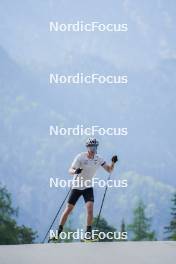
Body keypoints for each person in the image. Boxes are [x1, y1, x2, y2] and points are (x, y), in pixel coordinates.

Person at [51, 138, 117, 241]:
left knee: (90, 209)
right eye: (91, 146)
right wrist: (75, 171)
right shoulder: (80, 157)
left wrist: (113, 162)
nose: (93, 148)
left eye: (95, 146)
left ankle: (88, 234)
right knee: (68, 209)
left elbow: (109, 170)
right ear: (87, 148)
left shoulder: (98, 158)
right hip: (76, 186)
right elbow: (70, 170)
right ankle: (58, 232)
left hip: (88, 187)